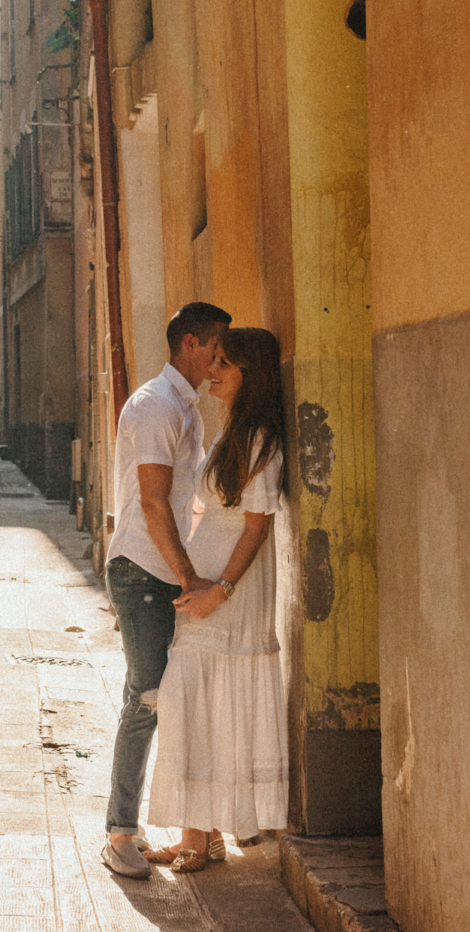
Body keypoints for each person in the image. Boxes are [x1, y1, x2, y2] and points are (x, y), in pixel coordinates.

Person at [143, 326, 288, 872]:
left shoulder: (260, 439)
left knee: (198, 700)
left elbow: (255, 528)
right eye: (214, 361)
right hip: (208, 585)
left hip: (233, 590)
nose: (213, 371)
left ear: (252, 375)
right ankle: (195, 838)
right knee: (194, 704)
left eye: (225, 363)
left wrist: (220, 591)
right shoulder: (233, 432)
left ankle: (200, 839)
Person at [100, 300, 232, 881]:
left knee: (172, 696)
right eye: (214, 347)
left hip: (162, 570)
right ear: (189, 345)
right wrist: (188, 577)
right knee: (146, 698)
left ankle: (195, 828)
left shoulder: (183, 405)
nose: (219, 358)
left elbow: (184, 500)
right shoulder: (157, 406)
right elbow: (153, 501)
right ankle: (120, 832)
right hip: (143, 571)